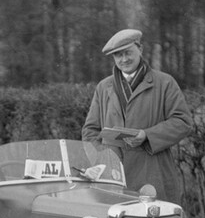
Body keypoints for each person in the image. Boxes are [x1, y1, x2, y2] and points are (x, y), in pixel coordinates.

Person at [81, 28, 193, 203]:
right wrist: (104, 160)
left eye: (128, 52)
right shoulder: (104, 87)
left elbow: (183, 122)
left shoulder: (164, 83)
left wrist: (147, 135)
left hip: (153, 175)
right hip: (114, 179)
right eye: (118, 55)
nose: (124, 59)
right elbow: (90, 131)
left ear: (140, 49)